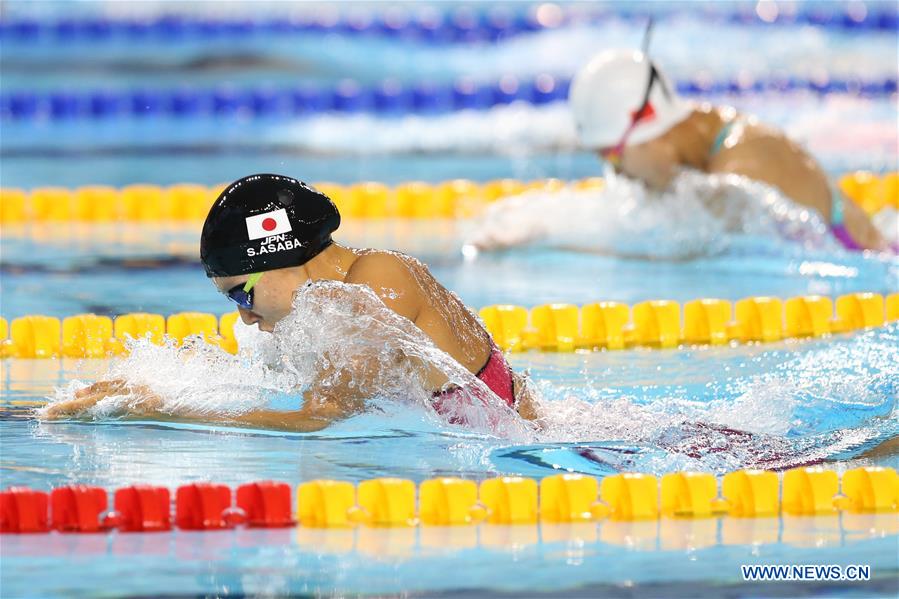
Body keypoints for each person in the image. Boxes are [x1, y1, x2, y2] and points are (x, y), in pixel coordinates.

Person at [43, 174, 539, 430]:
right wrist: (146, 386)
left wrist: (162, 410)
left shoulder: (375, 281)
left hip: (512, 466)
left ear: (282, 259)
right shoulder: (330, 305)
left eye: (242, 291)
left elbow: (317, 417)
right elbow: (278, 390)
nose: (244, 314)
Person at [567, 49, 890, 252]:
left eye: (611, 154)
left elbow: (685, 257)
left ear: (648, 128)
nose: (617, 173)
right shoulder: (711, 134)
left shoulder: (742, 167)